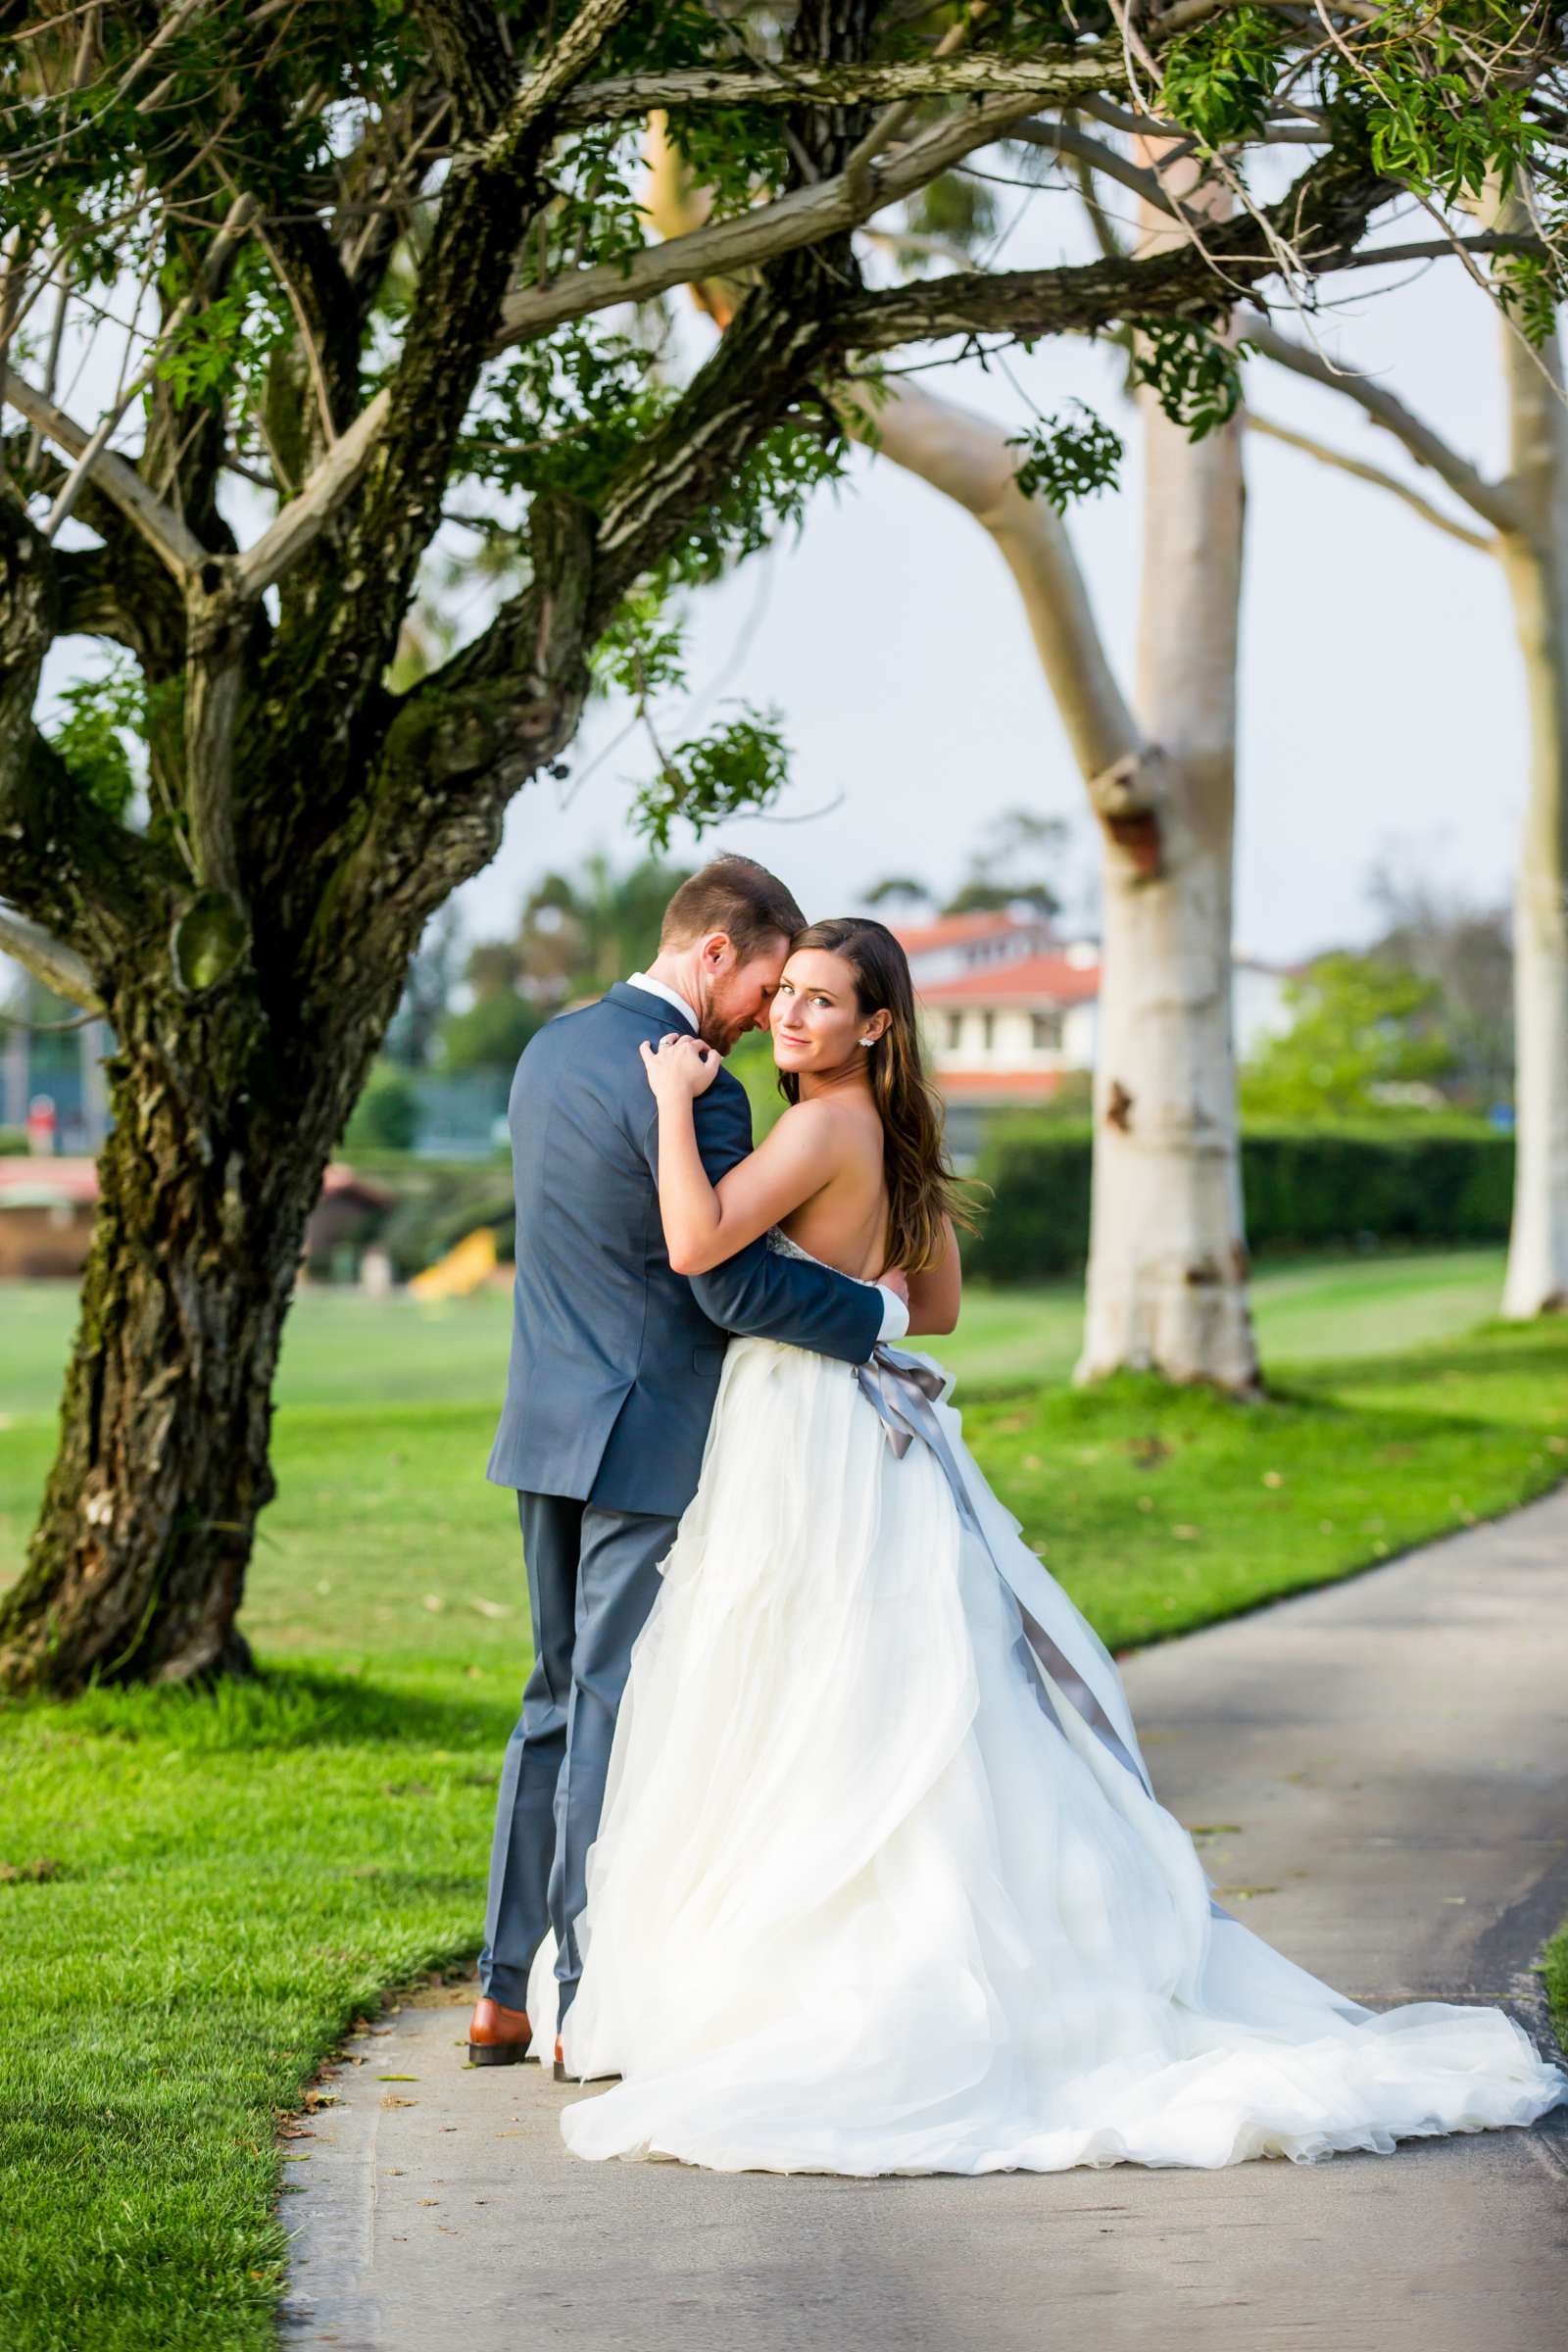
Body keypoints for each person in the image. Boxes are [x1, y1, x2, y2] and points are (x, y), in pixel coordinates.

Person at [525, 914, 1567, 2175]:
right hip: (863, 1435)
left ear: (874, 1027)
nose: (790, 1018)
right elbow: (943, 1306)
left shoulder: (808, 1125)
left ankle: (798, 1979)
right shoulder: (890, 1136)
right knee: (868, 1688)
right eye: (785, 993)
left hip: (797, 1432)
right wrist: (868, 1284)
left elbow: (695, 1248)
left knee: (788, 1686)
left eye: (820, 1001)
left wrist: (678, 1104)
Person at [468, 861, 911, 2074]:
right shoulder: (698, 1084)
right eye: (769, 982)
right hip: (646, 1429)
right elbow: (722, 1275)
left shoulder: (549, 1052)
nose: (765, 1015)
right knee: (612, 1704)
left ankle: (500, 1992)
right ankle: (583, 2001)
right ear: (717, 954)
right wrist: (872, 1318)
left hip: (544, 1420)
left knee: (550, 1700)